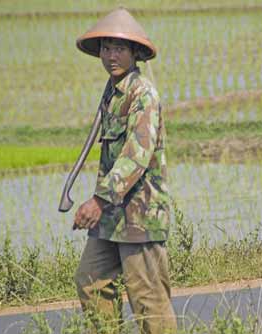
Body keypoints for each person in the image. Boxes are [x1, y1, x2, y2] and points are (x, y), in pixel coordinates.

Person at [72, 8, 177, 334]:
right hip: (113, 216)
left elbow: (136, 156)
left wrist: (98, 201)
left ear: (134, 53)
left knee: (147, 301)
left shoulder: (142, 94)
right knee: (90, 279)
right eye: (106, 48)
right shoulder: (113, 93)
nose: (111, 55)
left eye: (119, 48)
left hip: (139, 214)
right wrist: (104, 205)